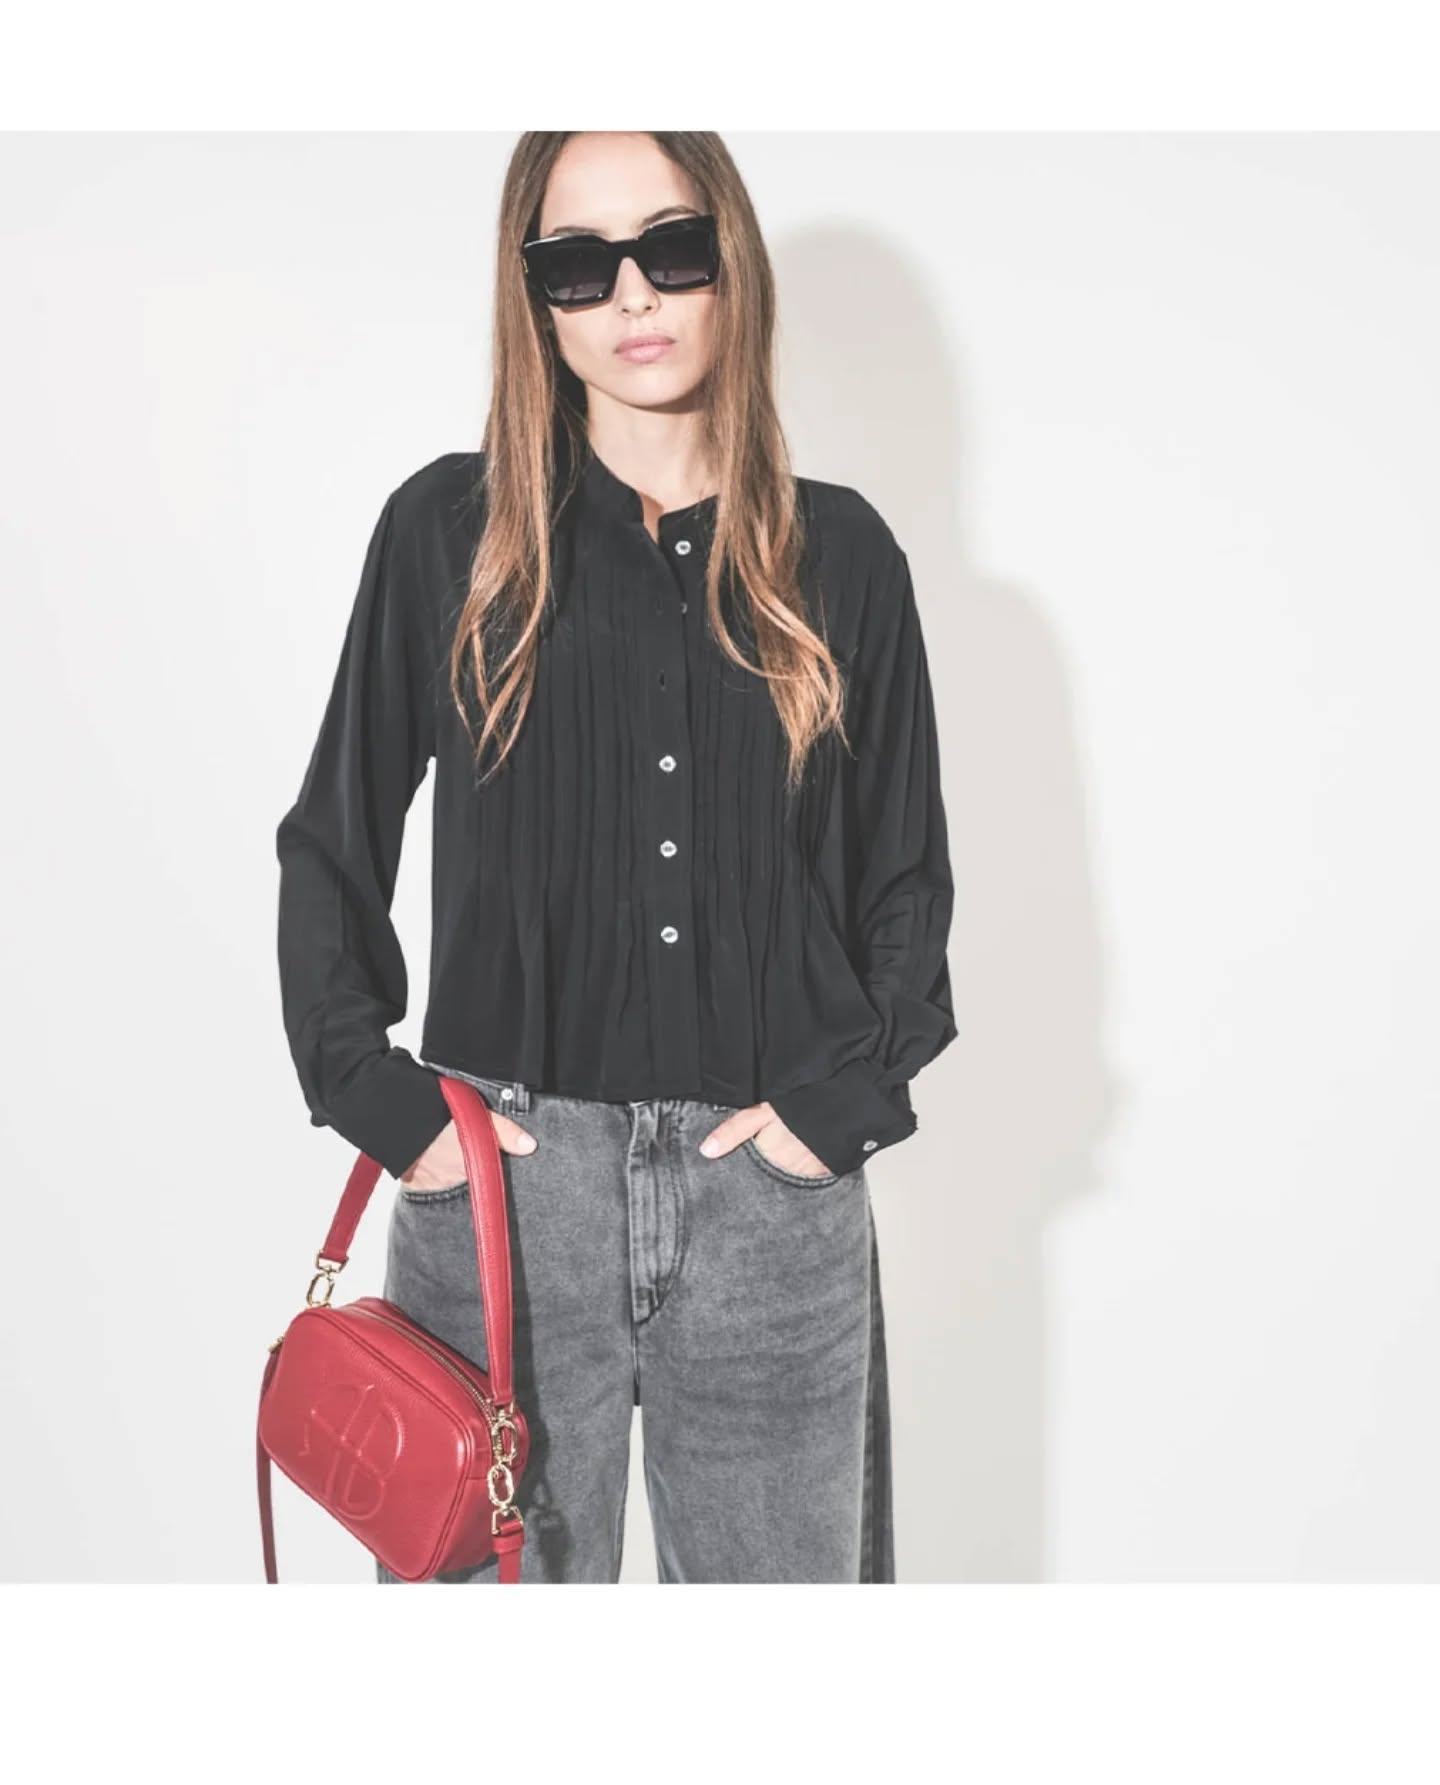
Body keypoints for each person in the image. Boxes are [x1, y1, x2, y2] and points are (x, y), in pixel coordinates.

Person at [274, 130, 956, 1583]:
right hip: (507, 1203)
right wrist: (380, 1099)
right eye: (579, 264)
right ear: (535, 298)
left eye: (672, 246)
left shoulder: (845, 558)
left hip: (771, 1211)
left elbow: (906, 883)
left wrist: (836, 1112)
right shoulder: (445, 534)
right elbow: (333, 835)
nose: (633, 294)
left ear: (731, 261)